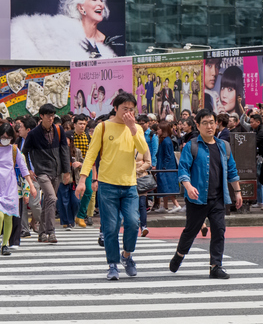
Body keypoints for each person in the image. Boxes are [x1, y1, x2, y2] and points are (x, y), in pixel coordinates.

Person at [76, 92, 148, 280]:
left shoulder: (137, 129)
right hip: (107, 185)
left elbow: (143, 150)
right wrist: (83, 180)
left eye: (132, 109)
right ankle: (113, 264)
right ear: (115, 108)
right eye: (125, 109)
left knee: (133, 222)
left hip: (129, 184)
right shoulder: (103, 127)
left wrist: (132, 128)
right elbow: (91, 155)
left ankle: (127, 256)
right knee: (111, 227)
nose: (129, 113)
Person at [170, 109, 242, 279]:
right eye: (205, 123)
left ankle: (215, 266)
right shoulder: (192, 146)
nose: (209, 126)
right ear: (198, 125)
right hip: (197, 198)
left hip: (218, 198)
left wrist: (237, 192)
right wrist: (188, 187)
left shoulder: (223, 146)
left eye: (212, 122)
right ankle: (179, 254)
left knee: (219, 230)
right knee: (191, 231)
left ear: (216, 124)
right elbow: (183, 170)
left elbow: (232, 170)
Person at [10, 0, 122, 60]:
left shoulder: (109, 44)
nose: (100, 4)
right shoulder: (62, 33)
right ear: (81, 7)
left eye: (101, 0)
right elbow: (20, 28)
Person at [0, 124, 36, 255]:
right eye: (3, 137)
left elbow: (23, 169)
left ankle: (5, 244)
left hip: (11, 188)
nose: (5, 139)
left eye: (8, 137)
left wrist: (31, 185)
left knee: (9, 217)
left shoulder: (14, 150)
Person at [22, 103, 72, 244]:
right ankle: (51, 231)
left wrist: (66, 171)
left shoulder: (59, 130)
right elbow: (23, 153)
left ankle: (41, 233)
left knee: (48, 202)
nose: (51, 118)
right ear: (41, 116)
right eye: (48, 116)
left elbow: (64, 151)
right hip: (42, 172)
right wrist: (29, 169)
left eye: (53, 115)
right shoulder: (33, 134)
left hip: (56, 171)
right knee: (52, 198)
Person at [70, 115, 95, 228]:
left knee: (88, 191)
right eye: (80, 123)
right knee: (72, 192)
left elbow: (92, 154)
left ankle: (80, 215)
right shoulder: (70, 136)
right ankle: (70, 216)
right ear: (74, 124)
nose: (82, 126)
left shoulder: (89, 137)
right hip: (72, 168)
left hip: (86, 167)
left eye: (84, 124)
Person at [154, 121, 182, 213]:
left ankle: (176, 204)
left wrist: (164, 167)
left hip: (166, 168)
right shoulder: (165, 140)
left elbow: (168, 156)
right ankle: (165, 206)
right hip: (164, 167)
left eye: (158, 129)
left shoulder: (166, 141)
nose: (157, 131)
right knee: (163, 186)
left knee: (167, 186)